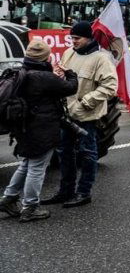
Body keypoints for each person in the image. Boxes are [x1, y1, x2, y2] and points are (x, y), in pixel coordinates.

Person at [0, 39, 78, 222]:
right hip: (41, 129)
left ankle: (9, 198)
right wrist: (70, 73)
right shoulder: (44, 77)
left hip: (23, 127)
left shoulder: (21, 73)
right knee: (37, 168)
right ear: (46, 57)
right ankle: (30, 207)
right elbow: (70, 88)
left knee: (27, 164)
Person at [41, 21, 118, 208]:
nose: (72, 41)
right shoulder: (69, 53)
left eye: (77, 38)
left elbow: (110, 86)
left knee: (87, 153)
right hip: (66, 114)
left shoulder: (102, 59)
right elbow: (62, 75)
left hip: (86, 116)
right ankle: (65, 191)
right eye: (71, 38)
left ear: (89, 38)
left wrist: (87, 102)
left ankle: (84, 192)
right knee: (64, 153)